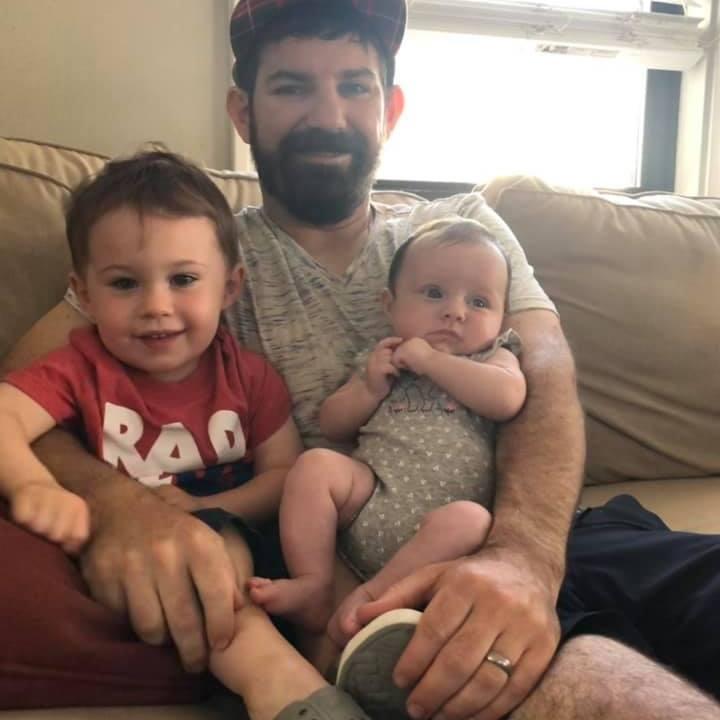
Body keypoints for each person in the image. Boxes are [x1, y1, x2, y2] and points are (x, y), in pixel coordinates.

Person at [2, 1, 720, 719]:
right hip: (359, 572)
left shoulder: (462, 230)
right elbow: (27, 391)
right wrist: (118, 504)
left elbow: (545, 380)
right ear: (243, 112)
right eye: (292, 87)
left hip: (538, 532)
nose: (328, 115)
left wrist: (525, 556)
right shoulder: (191, 255)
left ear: (390, 108)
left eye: (354, 86)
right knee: (609, 692)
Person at [0, 149, 373, 720]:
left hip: (237, 541)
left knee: (273, 550)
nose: (156, 306)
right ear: (85, 293)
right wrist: (34, 485)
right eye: (125, 283)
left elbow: (284, 475)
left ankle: (333, 673)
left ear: (230, 287)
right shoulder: (79, 367)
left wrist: (207, 509)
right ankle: (278, 684)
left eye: (183, 280)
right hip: (116, 558)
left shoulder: (250, 377)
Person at [248, 217, 525, 640]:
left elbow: (506, 398)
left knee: (472, 519)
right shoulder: (383, 359)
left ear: (502, 319)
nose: (455, 311)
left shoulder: (493, 358)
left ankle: (372, 597)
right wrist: (368, 388)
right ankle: (314, 583)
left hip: (440, 531)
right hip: (369, 498)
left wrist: (433, 362)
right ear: (389, 306)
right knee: (316, 464)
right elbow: (332, 425)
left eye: (479, 302)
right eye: (434, 293)